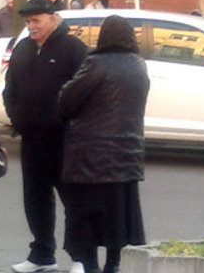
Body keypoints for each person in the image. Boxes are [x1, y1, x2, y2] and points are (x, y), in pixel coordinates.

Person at [59, 15, 150, 273]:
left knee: (85, 220)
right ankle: (113, 266)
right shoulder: (138, 65)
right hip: (127, 158)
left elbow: (67, 102)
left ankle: (91, 267)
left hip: (92, 160)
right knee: (118, 224)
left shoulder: (96, 64)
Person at [3, 0, 87, 273]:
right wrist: (17, 117)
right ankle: (42, 256)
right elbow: (10, 88)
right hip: (31, 139)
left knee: (72, 201)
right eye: (28, 22)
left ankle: (80, 258)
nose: (31, 27)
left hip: (64, 141)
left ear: (52, 18)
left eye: (36, 21)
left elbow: (85, 92)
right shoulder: (24, 47)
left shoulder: (73, 48)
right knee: (35, 200)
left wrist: (70, 123)